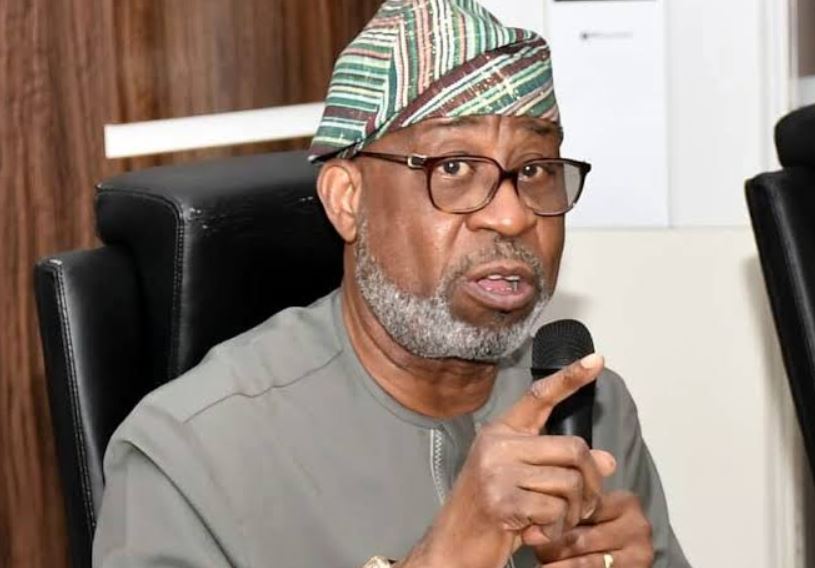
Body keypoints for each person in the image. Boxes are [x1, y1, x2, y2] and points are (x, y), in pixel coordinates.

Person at [93, 1, 690, 567]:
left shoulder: (585, 405)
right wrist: (448, 554)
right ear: (347, 201)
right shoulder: (189, 454)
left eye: (534, 170)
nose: (512, 217)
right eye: (453, 168)